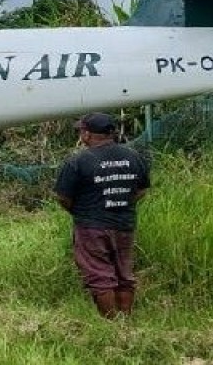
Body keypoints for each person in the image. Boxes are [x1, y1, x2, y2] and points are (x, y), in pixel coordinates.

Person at [54, 112, 151, 319]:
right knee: (124, 274)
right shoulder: (133, 156)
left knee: (99, 275)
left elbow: (63, 197)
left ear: (87, 134)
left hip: (91, 227)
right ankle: (125, 321)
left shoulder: (78, 161)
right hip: (125, 224)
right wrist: (122, 203)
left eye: (81, 130)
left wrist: (81, 211)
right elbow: (142, 190)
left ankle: (111, 325)